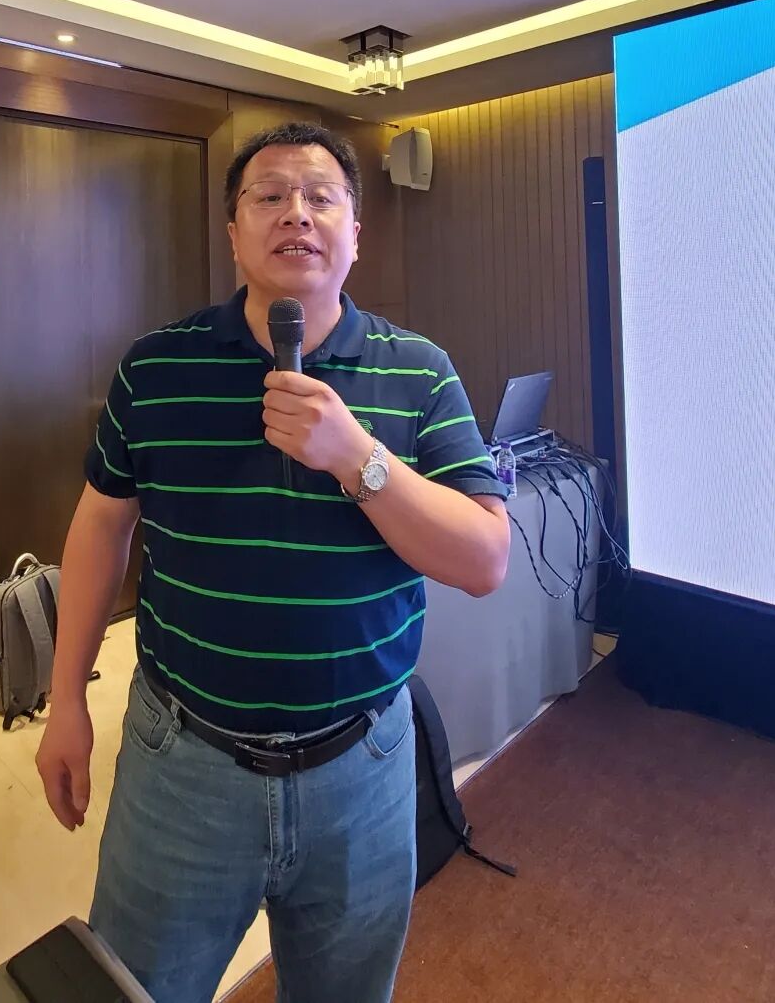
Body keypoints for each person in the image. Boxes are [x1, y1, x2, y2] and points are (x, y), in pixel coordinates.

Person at [35, 122, 511, 1003]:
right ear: (234, 233)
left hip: (363, 767)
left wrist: (356, 457)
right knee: (137, 988)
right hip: (182, 762)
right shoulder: (155, 368)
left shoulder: (420, 373)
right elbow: (101, 527)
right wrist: (65, 702)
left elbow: (485, 559)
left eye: (321, 197)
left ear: (355, 234)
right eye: (270, 196)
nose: (297, 213)